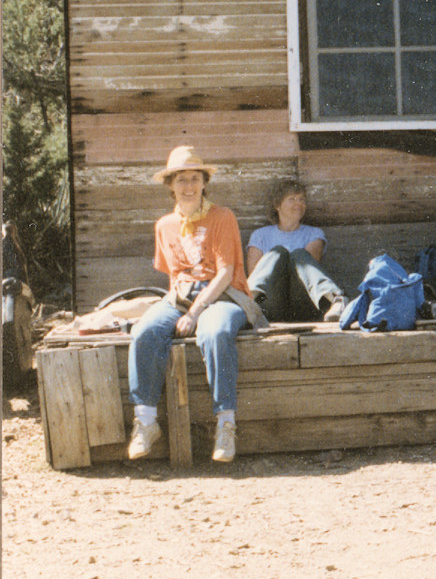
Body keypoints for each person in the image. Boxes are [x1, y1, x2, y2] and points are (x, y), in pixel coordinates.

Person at [127, 146, 269, 464]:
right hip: (182, 296)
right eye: (181, 180)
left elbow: (226, 273)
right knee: (144, 331)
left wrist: (194, 312)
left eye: (194, 179)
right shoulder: (164, 225)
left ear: (204, 182)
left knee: (214, 331)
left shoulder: (222, 216)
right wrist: (172, 310)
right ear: (170, 185)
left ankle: (225, 424)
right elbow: (175, 277)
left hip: (223, 294)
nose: (188, 186)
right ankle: (146, 422)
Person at [246, 179, 348, 323]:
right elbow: (255, 275)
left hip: (302, 303)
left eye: (302, 200)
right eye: (292, 199)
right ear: (277, 205)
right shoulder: (260, 235)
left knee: (299, 254)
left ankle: (337, 300)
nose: (299, 204)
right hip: (271, 305)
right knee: (278, 252)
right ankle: (246, 304)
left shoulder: (314, 234)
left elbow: (309, 269)